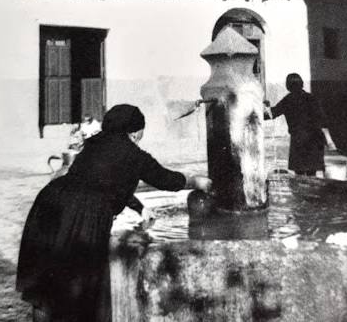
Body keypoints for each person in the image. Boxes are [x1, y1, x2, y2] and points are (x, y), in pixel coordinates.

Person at [16, 104, 211, 322]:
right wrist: (195, 180)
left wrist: (140, 207)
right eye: (139, 135)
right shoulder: (133, 154)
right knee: (79, 288)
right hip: (82, 216)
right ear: (135, 132)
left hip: (49, 204)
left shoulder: (94, 145)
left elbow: (103, 181)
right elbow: (164, 178)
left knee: (46, 287)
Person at [264, 73, 336, 176]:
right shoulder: (312, 98)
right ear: (301, 83)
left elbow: (272, 114)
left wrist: (263, 108)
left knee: (300, 176)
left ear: (288, 85)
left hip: (299, 141)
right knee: (312, 174)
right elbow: (323, 121)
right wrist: (329, 142)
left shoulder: (288, 100)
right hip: (314, 140)